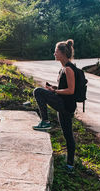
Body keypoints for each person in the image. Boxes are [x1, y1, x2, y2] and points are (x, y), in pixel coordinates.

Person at [33, 39, 77, 172]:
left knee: (38, 91)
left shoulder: (69, 69)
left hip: (65, 104)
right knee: (68, 135)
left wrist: (55, 91)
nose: (54, 53)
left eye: (56, 51)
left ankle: (45, 121)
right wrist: (54, 88)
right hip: (64, 104)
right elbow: (65, 87)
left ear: (63, 53)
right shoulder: (63, 68)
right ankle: (70, 165)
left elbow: (71, 90)